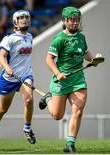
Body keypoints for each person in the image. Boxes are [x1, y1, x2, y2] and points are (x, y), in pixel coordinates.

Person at [39, 6, 100, 153]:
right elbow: (49, 59)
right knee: (57, 115)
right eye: (71, 20)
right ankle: (48, 98)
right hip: (61, 80)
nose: (74, 23)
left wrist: (94, 60)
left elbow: (85, 53)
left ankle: (70, 144)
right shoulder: (59, 39)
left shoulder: (81, 37)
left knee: (78, 111)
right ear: (65, 21)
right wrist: (58, 73)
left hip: (78, 81)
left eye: (77, 20)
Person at [0, 10, 36, 146]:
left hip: (25, 75)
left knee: (29, 100)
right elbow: (1, 57)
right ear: (15, 21)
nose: (24, 20)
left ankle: (27, 128)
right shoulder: (9, 38)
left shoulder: (30, 37)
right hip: (9, 78)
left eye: (26, 17)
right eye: (21, 18)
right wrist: (7, 67)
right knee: (3, 109)